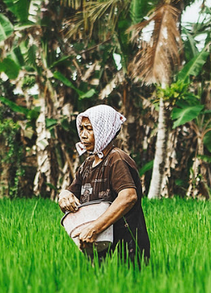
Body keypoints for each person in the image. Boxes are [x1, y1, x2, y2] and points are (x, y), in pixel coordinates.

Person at [57, 105, 150, 263]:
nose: (83, 135)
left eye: (89, 129)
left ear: (104, 130)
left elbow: (128, 196)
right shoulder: (87, 164)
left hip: (126, 248)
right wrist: (64, 195)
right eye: (81, 128)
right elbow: (72, 191)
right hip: (99, 247)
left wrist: (94, 228)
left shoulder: (117, 159)